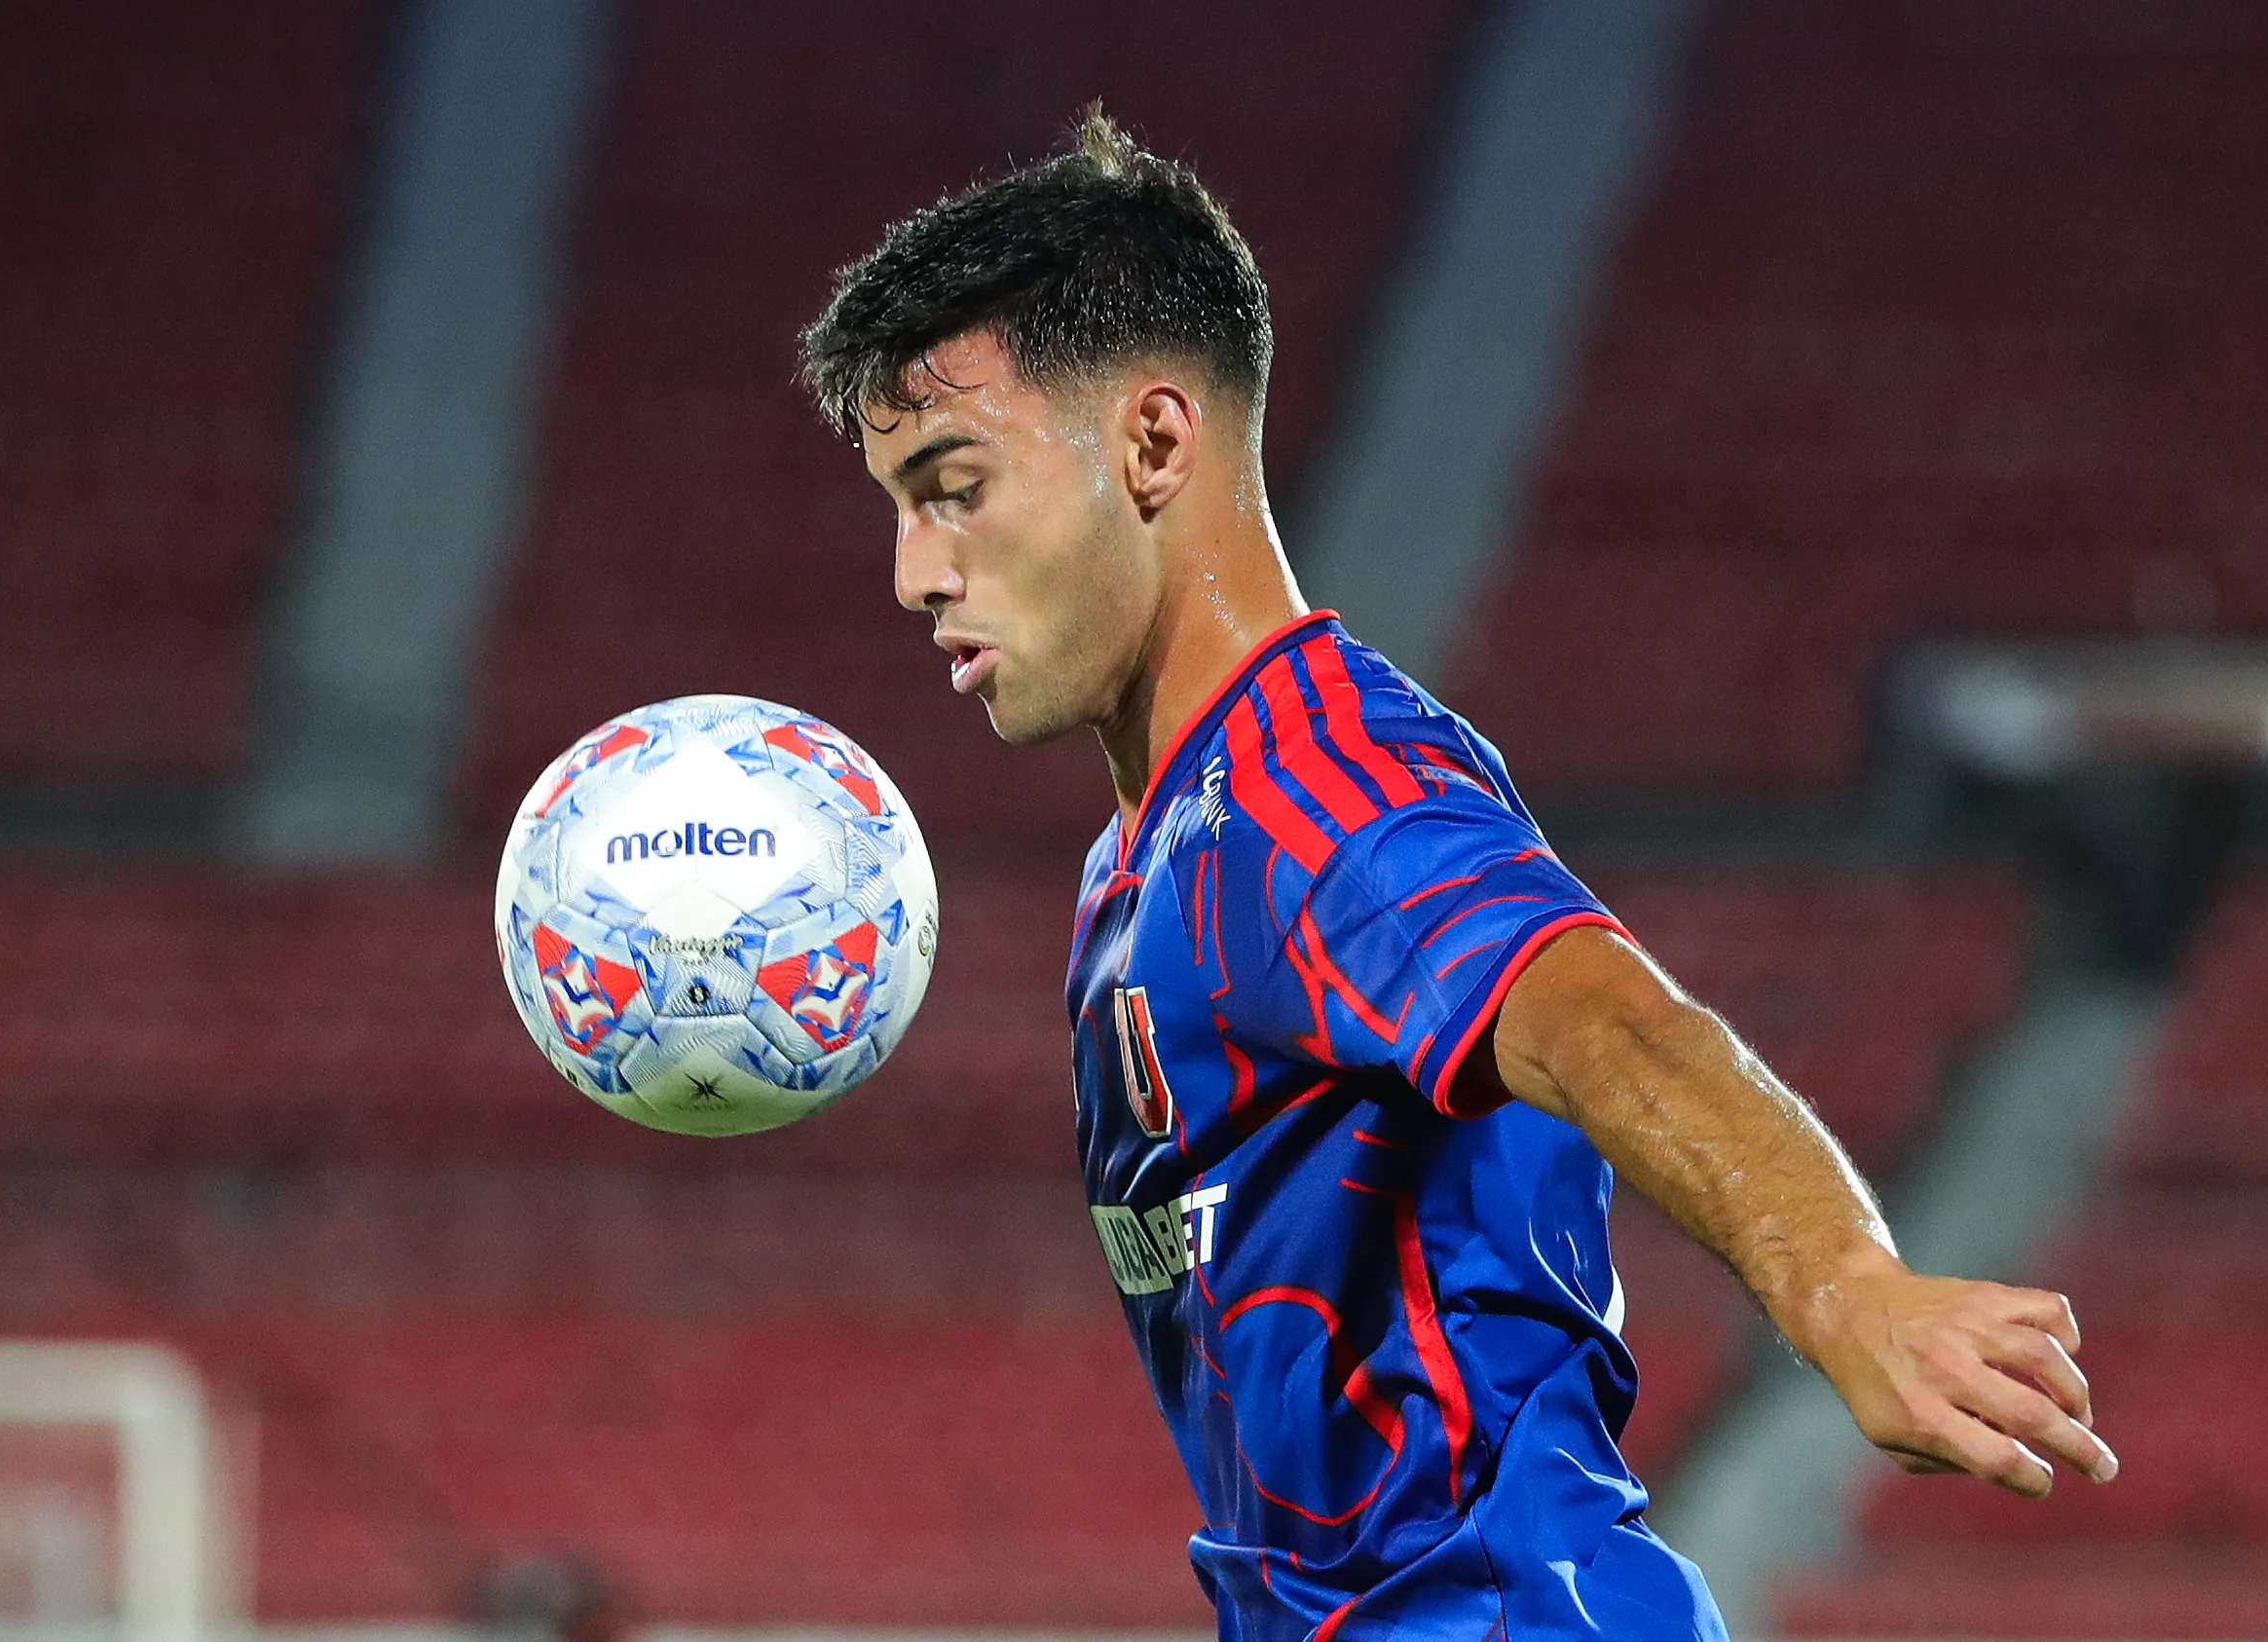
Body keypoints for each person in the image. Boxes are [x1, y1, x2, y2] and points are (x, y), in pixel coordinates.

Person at [799, 110, 2116, 1641]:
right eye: (898, 503)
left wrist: (1845, 1285)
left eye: (954, 482)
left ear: (1154, 443)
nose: (914, 571)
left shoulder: (1309, 785)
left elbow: (1601, 1016)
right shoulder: (1149, 852)